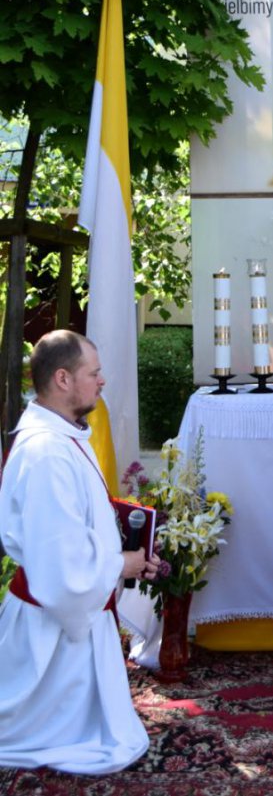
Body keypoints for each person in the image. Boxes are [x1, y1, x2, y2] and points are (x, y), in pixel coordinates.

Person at [0, 329, 159, 774]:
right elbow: (60, 566)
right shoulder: (47, 453)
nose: (102, 381)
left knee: (104, 734)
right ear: (64, 379)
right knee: (62, 737)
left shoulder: (62, 437)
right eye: (95, 372)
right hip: (50, 634)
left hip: (64, 618)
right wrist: (120, 563)